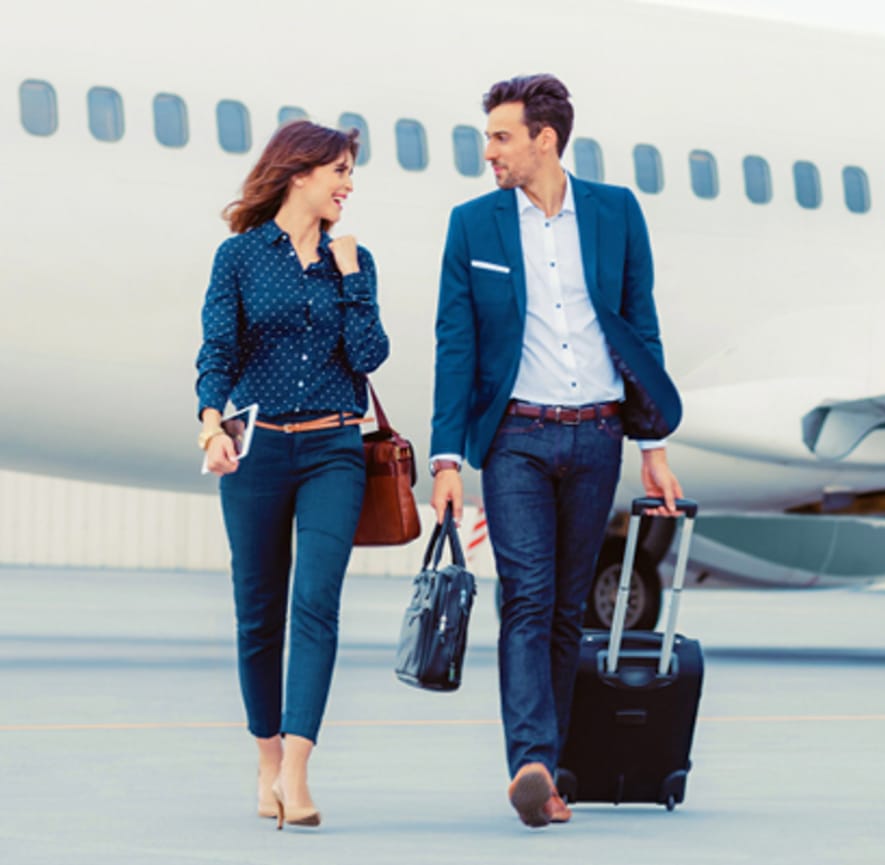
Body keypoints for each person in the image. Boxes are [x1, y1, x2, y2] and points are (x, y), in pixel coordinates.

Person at [428, 74, 685, 829]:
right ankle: (532, 763)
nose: (489, 153)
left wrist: (654, 445)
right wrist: (447, 458)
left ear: (546, 139)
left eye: (502, 137)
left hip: (599, 432)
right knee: (529, 596)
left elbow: (641, 325)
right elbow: (456, 344)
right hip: (517, 437)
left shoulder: (615, 213)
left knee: (569, 608)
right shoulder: (472, 225)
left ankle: (552, 768)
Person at [195, 120, 389, 830]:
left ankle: (299, 770)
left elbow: (368, 354)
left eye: (349, 173)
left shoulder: (355, 257)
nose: (347, 184)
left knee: (316, 603)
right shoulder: (240, 256)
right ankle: (266, 757)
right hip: (258, 450)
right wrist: (210, 420)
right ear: (299, 173)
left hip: (335, 448)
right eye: (338, 170)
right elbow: (218, 346)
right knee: (258, 613)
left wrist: (349, 277)